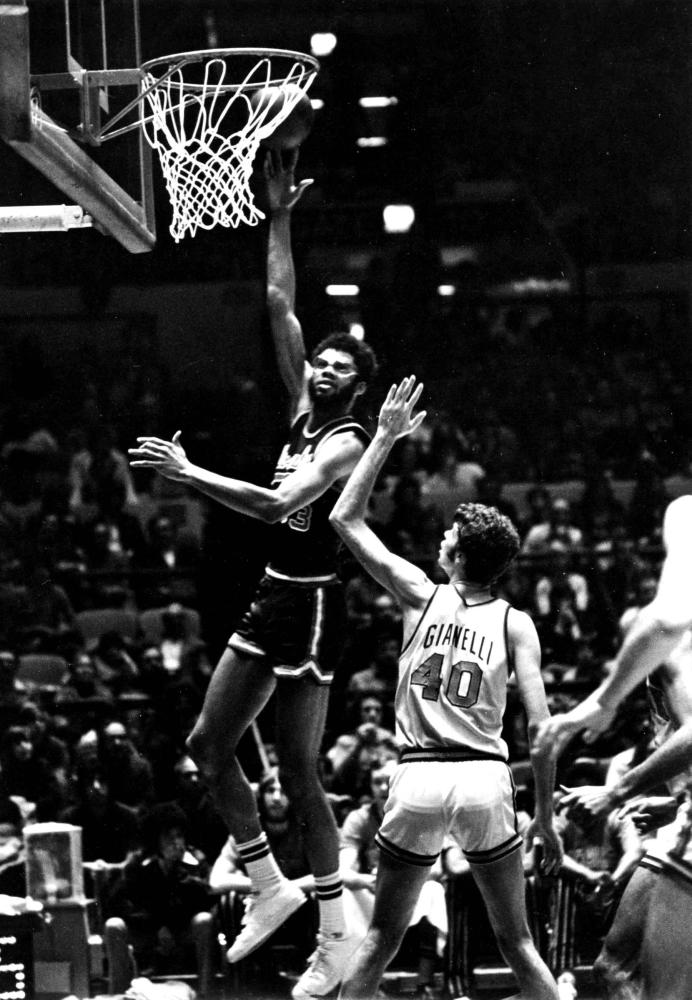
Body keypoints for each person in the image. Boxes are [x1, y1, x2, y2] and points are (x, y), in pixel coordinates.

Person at [128, 149, 378, 1000]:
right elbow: (279, 307)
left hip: (306, 603)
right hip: (280, 594)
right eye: (323, 361)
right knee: (225, 751)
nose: (322, 367)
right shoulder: (305, 411)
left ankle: (318, 917)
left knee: (271, 764)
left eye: (340, 366)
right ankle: (286, 896)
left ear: (360, 388)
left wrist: (191, 475)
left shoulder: (344, 441)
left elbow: (277, 511)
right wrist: (278, 218)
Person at [329, 376, 562, 1000]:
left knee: (380, 938)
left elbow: (344, 517)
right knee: (517, 943)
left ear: (458, 556)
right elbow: (541, 729)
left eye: (448, 535)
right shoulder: (517, 622)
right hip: (486, 777)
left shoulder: (418, 594)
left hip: (419, 775)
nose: (440, 537)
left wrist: (382, 438)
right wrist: (544, 814)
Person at [536, 495, 692, 1000]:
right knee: (614, 965)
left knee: (661, 989)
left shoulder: (685, 515)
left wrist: (615, 788)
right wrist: (669, 800)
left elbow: (665, 621)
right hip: (684, 819)